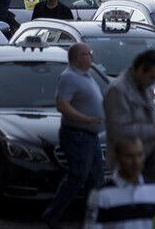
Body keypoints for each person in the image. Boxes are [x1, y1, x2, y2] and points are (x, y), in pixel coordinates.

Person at [43, 43, 105, 228]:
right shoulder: (69, 77)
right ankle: (52, 214)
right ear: (77, 58)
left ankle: (91, 219)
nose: (91, 56)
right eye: (88, 54)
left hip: (91, 137)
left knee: (96, 179)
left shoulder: (86, 76)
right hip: (77, 135)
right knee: (78, 177)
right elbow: (62, 104)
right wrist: (86, 119)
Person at [104, 50, 155, 181]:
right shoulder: (118, 90)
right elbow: (119, 131)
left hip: (148, 155)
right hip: (127, 161)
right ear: (141, 69)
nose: (153, 82)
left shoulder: (145, 86)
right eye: (152, 77)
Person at [84, 137, 155, 229]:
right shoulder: (101, 195)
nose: (136, 162)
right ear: (117, 158)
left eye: (139, 155)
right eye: (129, 156)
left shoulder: (154, 191)